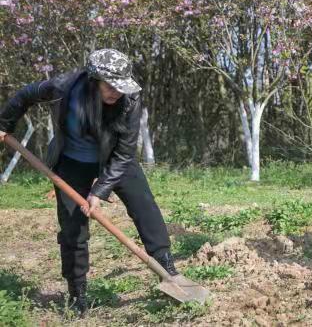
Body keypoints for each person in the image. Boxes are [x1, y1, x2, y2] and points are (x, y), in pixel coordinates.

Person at [0, 49, 179, 314]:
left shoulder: (130, 98)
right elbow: (25, 96)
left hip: (116, 159)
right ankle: (78, 294)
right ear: (93, 80)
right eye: (111, 86)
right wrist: (4, 123)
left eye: (121, 86)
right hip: (72, 161)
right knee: (73, 229)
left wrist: (100, 190)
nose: (117, 92)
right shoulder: (63, 87)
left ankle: (168, 269)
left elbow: (125, 153)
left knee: (145, 207)